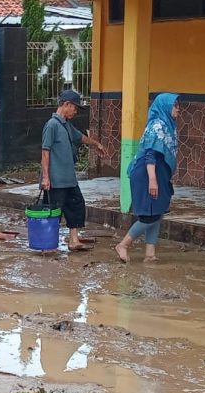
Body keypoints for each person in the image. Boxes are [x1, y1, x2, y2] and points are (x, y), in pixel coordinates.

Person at [114, 93, 180, 263]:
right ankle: (123, 245)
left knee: (157, 213)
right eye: (175, 105)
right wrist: (153, 180)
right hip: (147, 175)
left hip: (158, 174)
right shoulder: (157, 126)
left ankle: (150, 254)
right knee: (149, 216)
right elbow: (150, 155)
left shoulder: (168, 125)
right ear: (165, 106)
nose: (178, 108)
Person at [41, 89, 106, 251]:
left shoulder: (66, 125)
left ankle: (74, 240)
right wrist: (46, 177)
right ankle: (47, 244)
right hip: (56, 180)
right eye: (75, 108)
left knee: (77, 206)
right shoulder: (52, 125)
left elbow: (80, 137)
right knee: (53, 212)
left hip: (69, 179)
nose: (76, 112)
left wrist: (96, 144)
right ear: (66, 105)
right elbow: (45, 151)